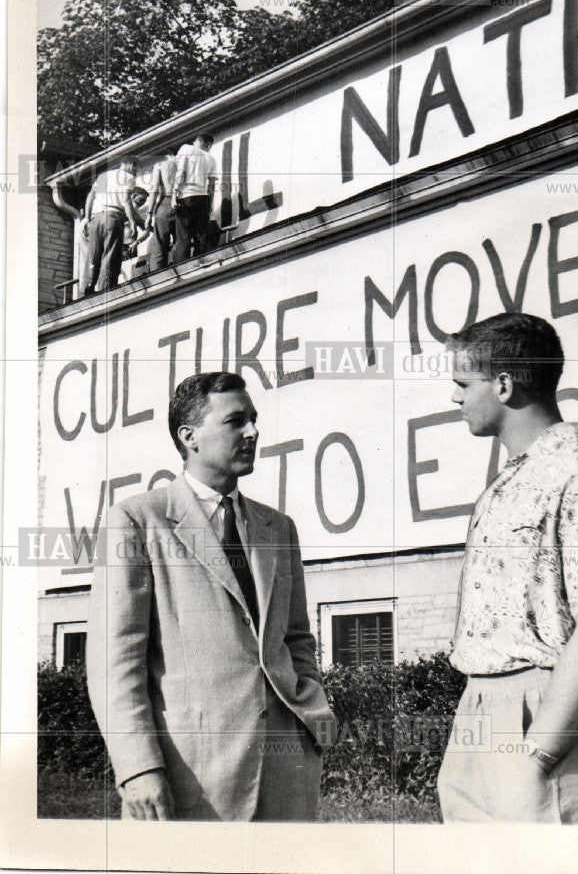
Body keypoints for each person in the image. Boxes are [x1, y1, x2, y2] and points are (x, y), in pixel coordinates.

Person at [87, 372, 336, 821]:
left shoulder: (278, 528)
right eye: (235, 421)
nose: (253, 432)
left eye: (254, 419)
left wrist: (314, 716)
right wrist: (137, 768)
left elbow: (297, 638)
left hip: (287, 774)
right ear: (190, 437)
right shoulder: (136, 521)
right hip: (190, 778)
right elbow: (114, 662)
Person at [436, 313, 578, 824]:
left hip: (551, 713)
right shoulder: (508, 482)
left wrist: (540, 751)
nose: (455, 398)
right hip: (478, 709)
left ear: (504, 384)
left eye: (464, 384)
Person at [80, 158, 140, 293]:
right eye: (136, 167)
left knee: (94, 254)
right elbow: (125, 200)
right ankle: (105, 290)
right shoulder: (128, 177)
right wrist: (132, 222)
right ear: (129, 164)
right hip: (112, 217)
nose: (136, 171)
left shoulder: (104, 176)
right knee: (110, 254)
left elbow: (90, 197)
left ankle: (87, 288)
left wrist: (87, 219)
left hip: (97, 218)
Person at [170, 133, 217, 263]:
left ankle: (182, 266)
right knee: (201, 235)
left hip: (187, 196)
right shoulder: (211, 159)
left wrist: (174, 194)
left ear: (196, 141)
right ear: (208, 145)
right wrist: (210, 204)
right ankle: (201, 264)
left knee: (183, 236)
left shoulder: (187, 149)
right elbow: (212, 185)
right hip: (203, 198)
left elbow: (181, 172)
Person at [144, 148, 178, 272]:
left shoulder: (160, 165)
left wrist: (149, 213)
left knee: (159, 245)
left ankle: (157, 277)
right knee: (179, 242)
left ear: (168, 154)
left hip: (165, 202)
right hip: (181, 202)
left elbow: (154, 190)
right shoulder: (185, 165)